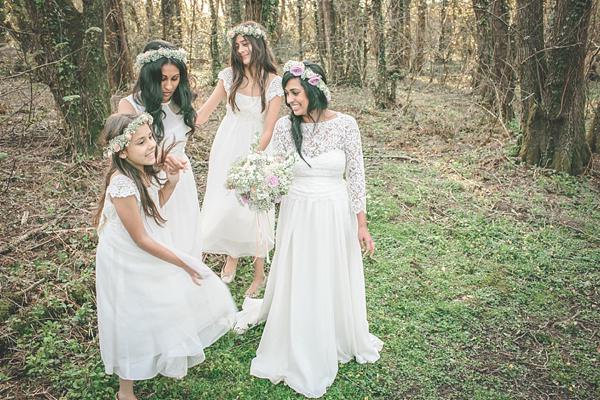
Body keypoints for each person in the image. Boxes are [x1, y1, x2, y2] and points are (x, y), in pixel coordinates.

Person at [235, 61, 382, 398]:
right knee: (301, 271)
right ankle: (298, 330)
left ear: (314, 90)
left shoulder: (346, 125)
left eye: (295, 93)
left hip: (334, 210)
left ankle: (333, 329)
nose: (290, 100)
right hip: (298, 211)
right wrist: (262, 188)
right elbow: (279, 173)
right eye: (287, 94)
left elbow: (356, 175)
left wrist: (361, 223)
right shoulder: (287, 128)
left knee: (329, 270)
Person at [92, 113, 236, 400]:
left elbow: (151, 209)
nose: (151, 145)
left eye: (151, 138)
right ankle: (125, 391)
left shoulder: (139, 170)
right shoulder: (120, 183)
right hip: (125, 257)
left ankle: (161, 352)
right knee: (128, 314)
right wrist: (183, 262)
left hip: (143, 245)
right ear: (121, 150)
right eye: (141, 141)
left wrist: (169, 183)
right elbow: (140, 237)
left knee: (156, 302)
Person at [195, 21, 284, 296]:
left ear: (258, 45)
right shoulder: (229, 76)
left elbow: (269, 127)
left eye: (245, 44)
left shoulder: (273, 82)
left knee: (255, 208)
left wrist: (255, 160)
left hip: (258, 148)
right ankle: (231, 255)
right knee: (226, 204)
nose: (241, 50)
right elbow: (204, 112)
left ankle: (259, 275)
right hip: (227, 144)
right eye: (237, 46)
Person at [118, 40, 203, 258]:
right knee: (157, 246)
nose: (168, 86)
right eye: (162, 79)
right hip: (150, 181)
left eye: (175, 79)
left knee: (184, 241)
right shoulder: (130, 106)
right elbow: (124, 155)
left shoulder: (181, 102)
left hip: (181, 179)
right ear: (149, 77)